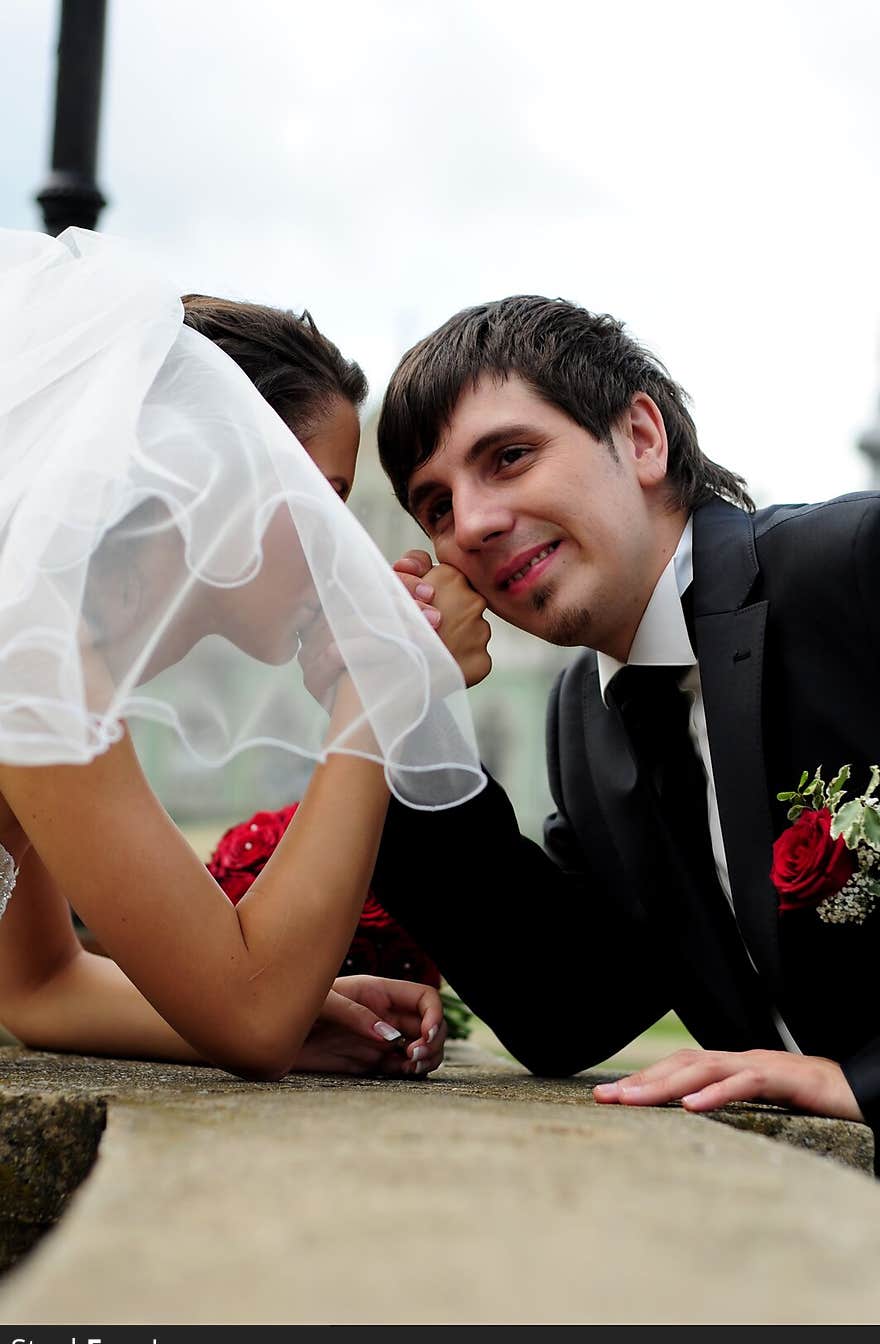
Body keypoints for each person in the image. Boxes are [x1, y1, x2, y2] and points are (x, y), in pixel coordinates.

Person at [370, 292, 880, 1159]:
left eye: (510, 456)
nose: (475, 524)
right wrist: (400, 711)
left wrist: (860, 1079)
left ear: (642, 438)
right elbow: (566, 1005)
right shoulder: (584, 718)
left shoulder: (854, 566)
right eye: (437, 508)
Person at [0, 227, 489, 1082]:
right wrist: (382, 680)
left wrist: (296, 1014)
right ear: (212, 472)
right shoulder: (37, 661)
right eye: (324, 501)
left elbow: (38, 984)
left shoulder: (50, 643)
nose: (349, 550)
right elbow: (252, 1012)